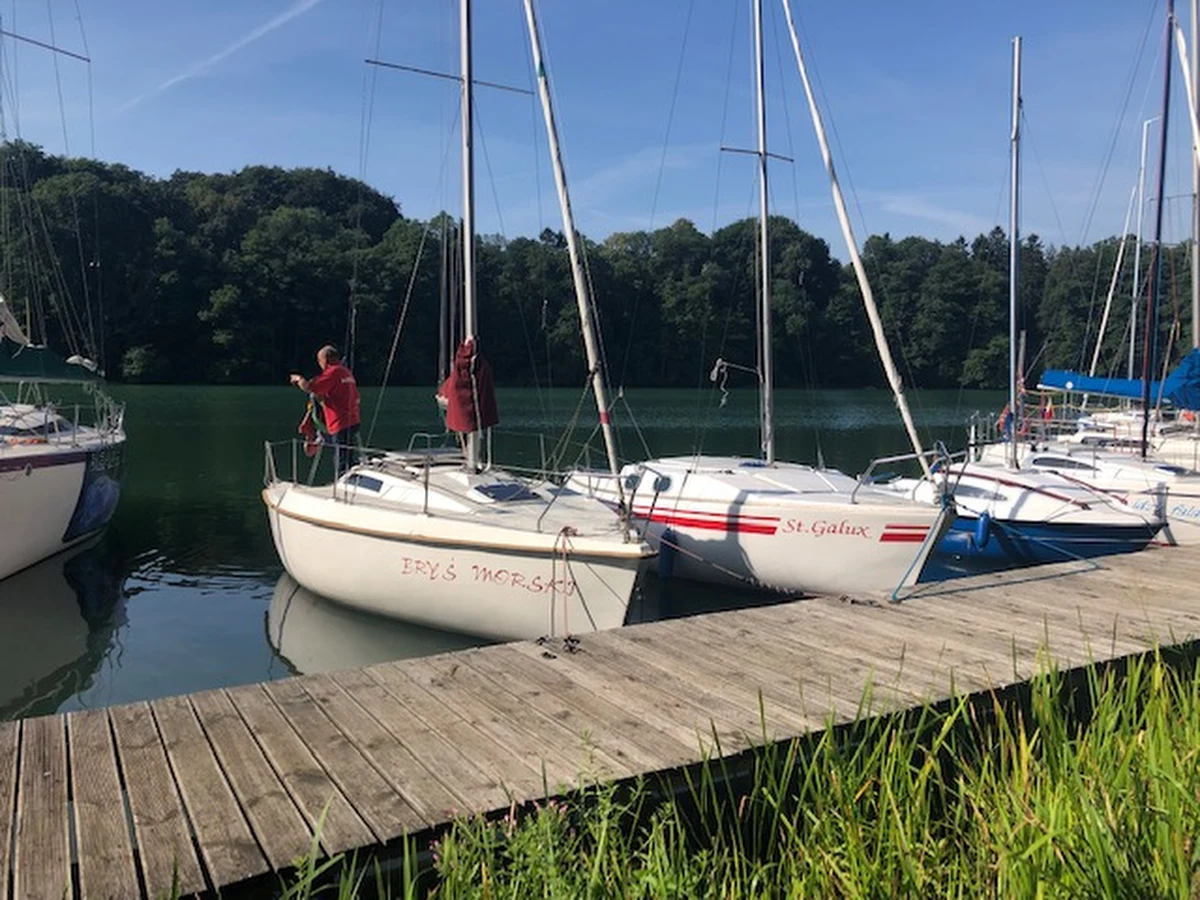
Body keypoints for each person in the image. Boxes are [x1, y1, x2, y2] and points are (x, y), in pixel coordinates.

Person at [290, 345, 361, 477]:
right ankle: (354, 478)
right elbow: (356, 398)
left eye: (319, 360)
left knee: (342, 462)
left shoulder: (332, 372)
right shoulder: (346, 373)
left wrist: (299, 379)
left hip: (340, 422)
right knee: (349, 457)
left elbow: (310, 387)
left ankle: (344, 482)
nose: (320, 364)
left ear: (325, 359)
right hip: (353, 420)